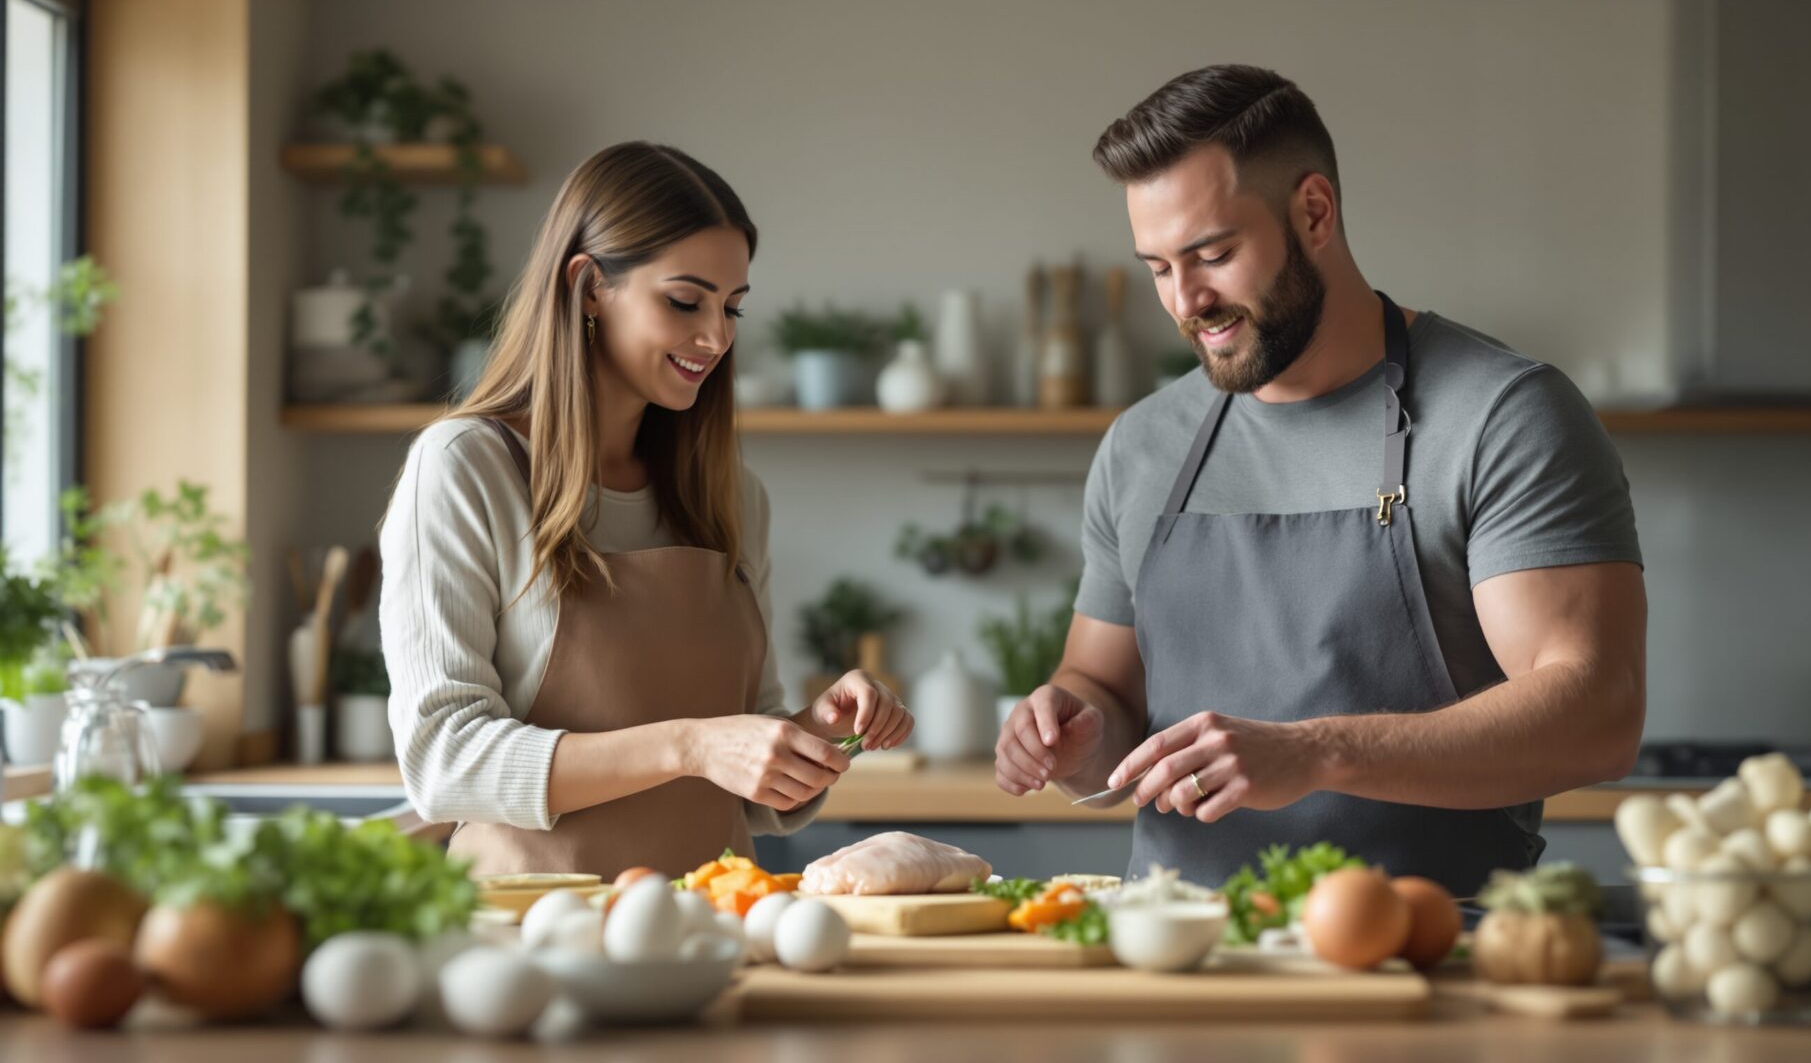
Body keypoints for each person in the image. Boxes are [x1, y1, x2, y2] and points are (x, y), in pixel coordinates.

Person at [994, 66, 1646, 893]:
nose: (1187, 301)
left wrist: (1316, 752)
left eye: (1213, 255)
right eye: (1158, 268)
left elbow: (1596, 714)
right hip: (1178, 945)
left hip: (1432, 943)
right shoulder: (1143, 444)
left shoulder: (1501, 416)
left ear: (1314, 213)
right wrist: (1072, 731)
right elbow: (1105, 693)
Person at [380, 141, 911, 880]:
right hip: (532, 926)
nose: (717, 337)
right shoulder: (466, 467)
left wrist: (814, 733)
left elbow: (743, 776)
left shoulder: (731, 496)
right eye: (685, 302)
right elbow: (444, 761)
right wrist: (690, 745)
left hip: (715, 920)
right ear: (589, 286)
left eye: (732, 307)